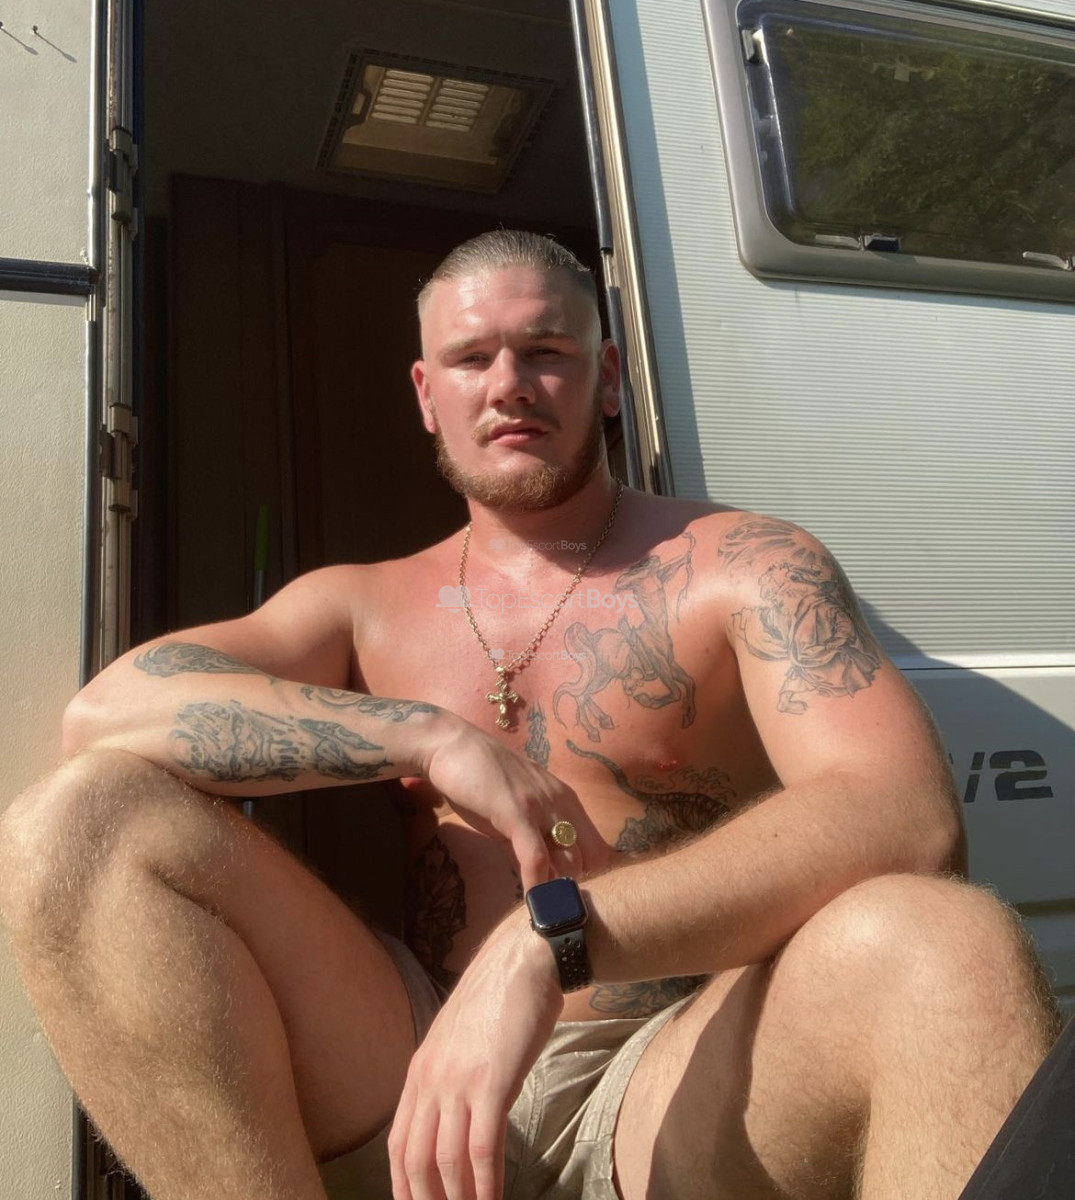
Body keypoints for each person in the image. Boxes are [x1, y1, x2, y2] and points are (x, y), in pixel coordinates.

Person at [0, 230, 1059, 1200]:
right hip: (411, 1063)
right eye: (471, 359)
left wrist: (549, 943)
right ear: (427, 394)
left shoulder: (744, 565)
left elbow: (903, 815)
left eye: (545, 351)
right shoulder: (360, 605)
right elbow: (109, 713)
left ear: (607, 377)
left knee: (945, 942)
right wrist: (426, 736)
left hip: (669, 1070)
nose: (508, 384)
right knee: (77, 826)